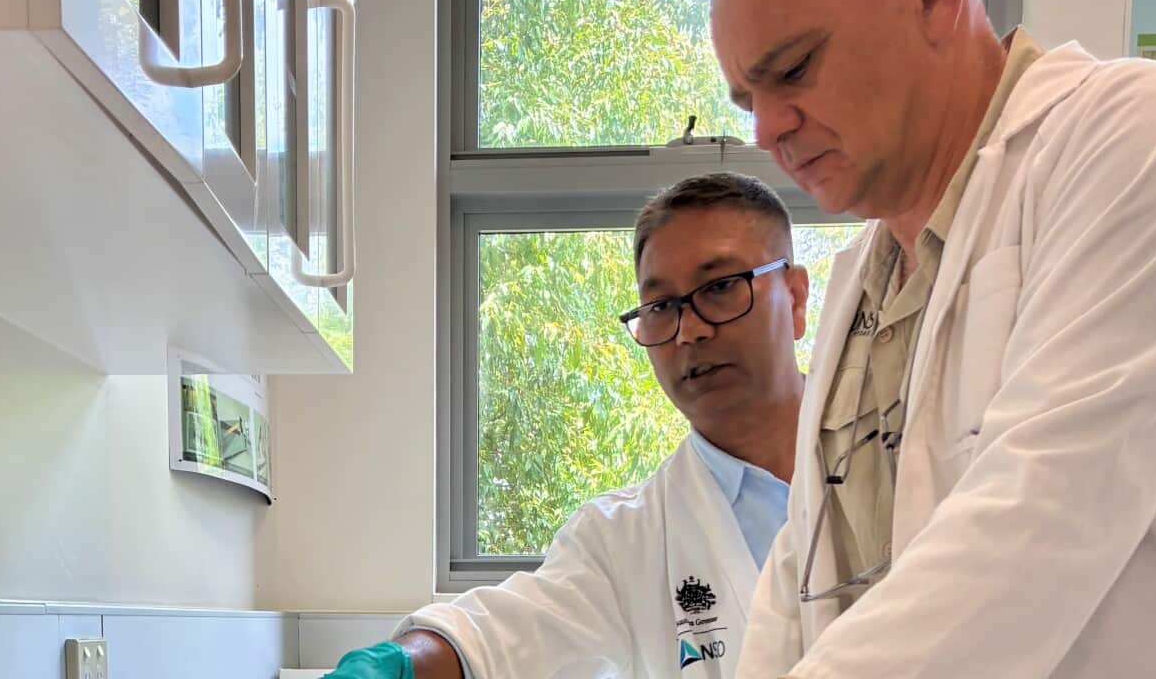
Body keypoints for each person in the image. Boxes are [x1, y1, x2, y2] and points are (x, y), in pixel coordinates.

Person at [707, 0, 1156, 677]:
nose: (767, 130)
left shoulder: (1136, 134)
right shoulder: (857, 282)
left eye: (795, 69)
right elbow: (802, 571)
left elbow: (1036, 522)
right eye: (748, 100)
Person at [326, 172, 810, 678]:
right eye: (661, 306)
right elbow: (500, 637)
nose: (689, 330)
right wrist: (401, 664)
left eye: (720, 287)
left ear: (795, 298)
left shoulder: (871, 465)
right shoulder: (623, 539)